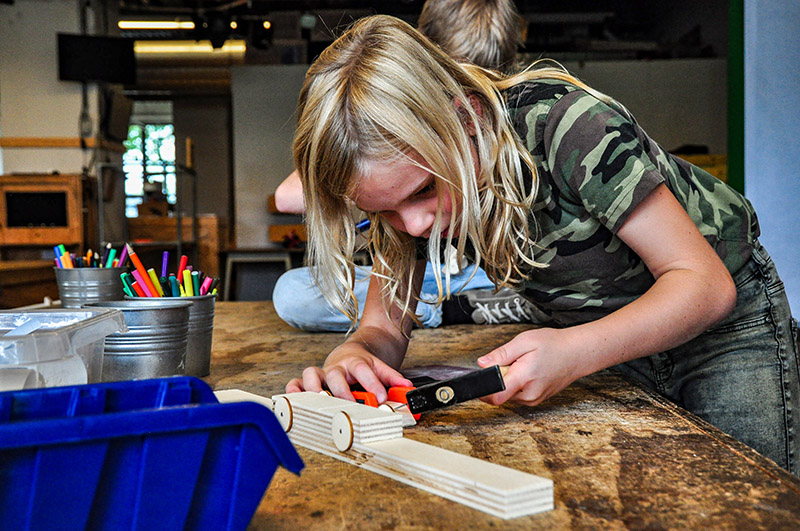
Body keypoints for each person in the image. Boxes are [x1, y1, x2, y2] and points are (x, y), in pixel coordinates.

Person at [285, 14, 800, 475]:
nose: (414, 226)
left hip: (723, 331)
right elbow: (382, 325)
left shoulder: (570, 127)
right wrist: (354, 355)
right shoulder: (411, 192)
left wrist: (573, 352)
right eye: (383, 212)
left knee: (755, 488)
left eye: (424, 191)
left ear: (467, 122)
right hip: (610, 342)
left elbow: (705, 285)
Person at [272, 0, 533, 331]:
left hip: (493, 269)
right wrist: (384, 181)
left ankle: (475, 305)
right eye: (452, 70)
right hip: (432, 276)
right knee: (294, 292)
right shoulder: (387, 114)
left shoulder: (523, 118)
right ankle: (456, 310)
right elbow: (286, 197)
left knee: (531, 278)